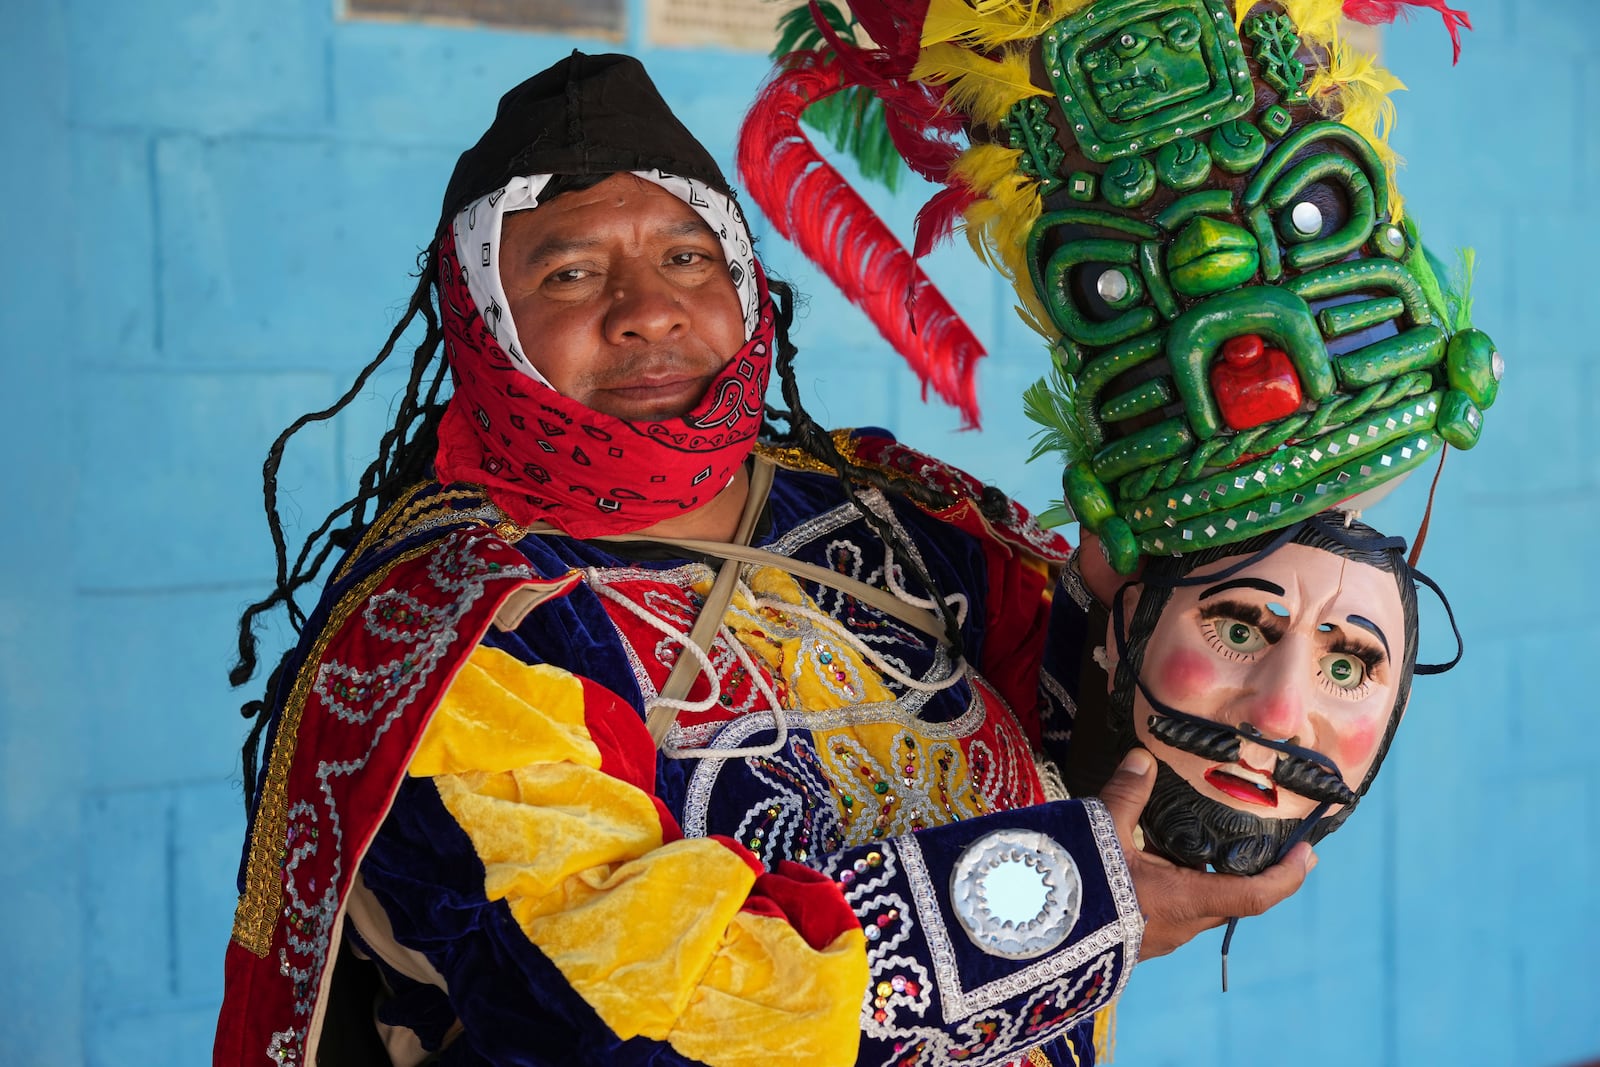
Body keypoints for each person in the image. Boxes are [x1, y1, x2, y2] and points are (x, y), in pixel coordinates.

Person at [213, 52, 1311, 1067]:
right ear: (482, 322)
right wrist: (1065, 909)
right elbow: (620, 1017)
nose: (647, 311)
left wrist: (1193, 590)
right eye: (568, 274)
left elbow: (1104, 738)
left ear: (743, 279)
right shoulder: (460, 631)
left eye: (687, 257)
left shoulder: (893, 512)